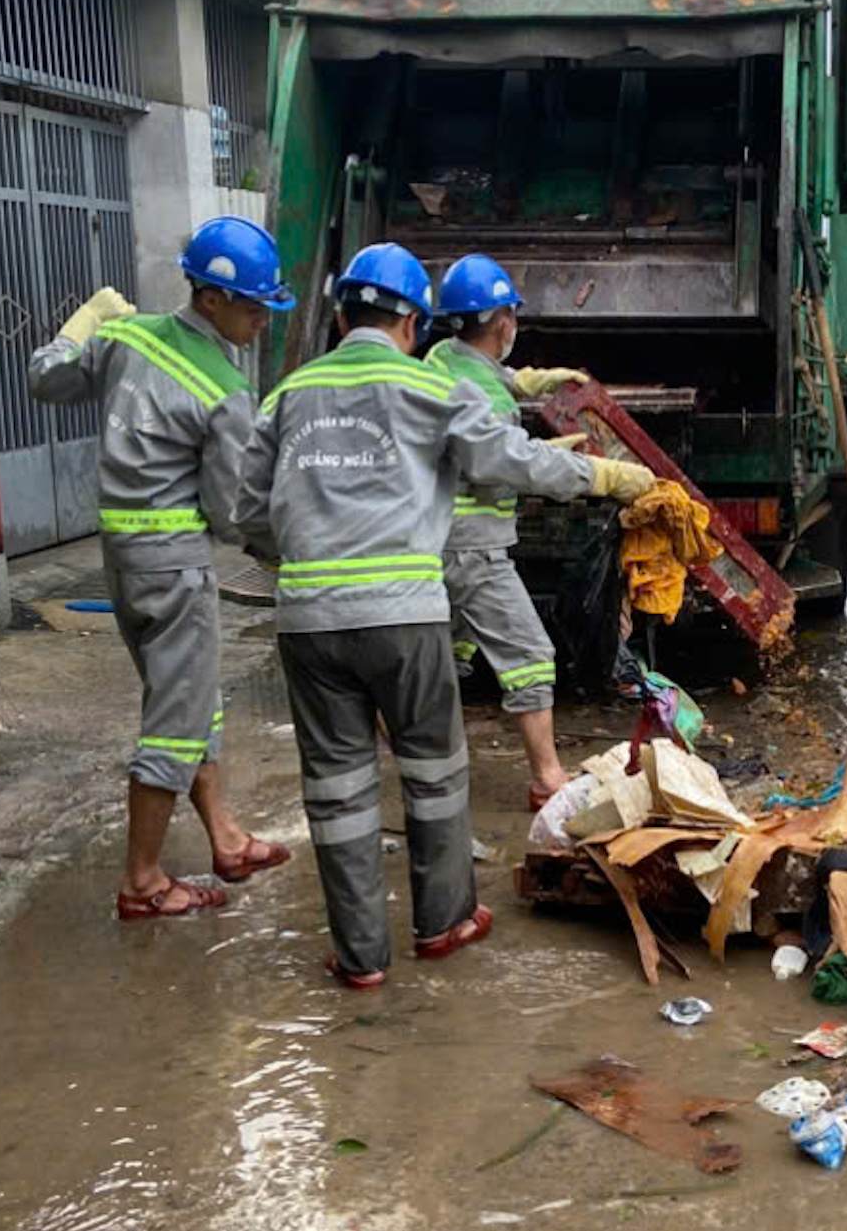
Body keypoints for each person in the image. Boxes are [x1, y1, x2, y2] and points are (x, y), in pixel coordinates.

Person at [234, 242, 653, 989]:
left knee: (336, 787)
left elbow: (246, 512)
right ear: (414, 325)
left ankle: (360, 957)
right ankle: (445, 922)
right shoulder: (428, 391)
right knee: (432, 771)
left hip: (308, 621)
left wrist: (306, 557)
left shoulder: (288, 394)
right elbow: (510, 461)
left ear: (338, 316)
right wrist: (602, 474)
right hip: (404, 616)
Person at [27, 215, 296, 918]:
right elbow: (231, 510)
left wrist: (86, 317)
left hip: (122, 561)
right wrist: (284, 548)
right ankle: (142, 881)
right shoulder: (223, 390)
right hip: (175, 568)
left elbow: (44, 377)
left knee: (190, 699)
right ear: (209, 299)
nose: (263, 320)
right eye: (253, 305)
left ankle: (227, 837)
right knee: (176, 722)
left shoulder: (123, 336)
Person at [425, 252, 598, 810]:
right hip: (473, 548)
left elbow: (476, 384)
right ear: (503, 322)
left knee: (444, 656)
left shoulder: (437, 360)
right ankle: (548, 778)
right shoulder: (483, 395)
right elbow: (498, 461)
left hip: (430, 545)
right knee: (528, 653)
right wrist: (592, 474)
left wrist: (526, 382)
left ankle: (427, 764)